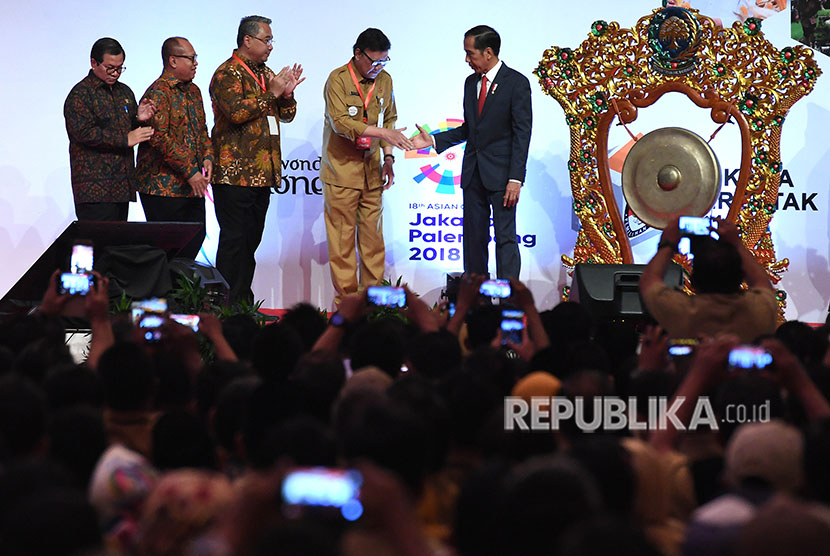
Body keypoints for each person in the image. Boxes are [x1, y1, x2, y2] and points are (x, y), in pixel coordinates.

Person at [412, 25, 532, 280]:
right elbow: (470, 129)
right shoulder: (471, 83)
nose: (467, 60)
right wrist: (433, 140)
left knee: (505, 240)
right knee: (473, 240)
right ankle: (478, 304)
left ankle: (508, 304)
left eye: (470, 53)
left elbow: (522, 134)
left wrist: (515, 178)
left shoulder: (517, 83)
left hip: (502, 178)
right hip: (473, 174)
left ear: (488, 52)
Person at [209, 15, 304, 304]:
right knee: (233, 242)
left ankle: (243, 305)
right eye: (267, 40)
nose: (271, 46)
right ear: (247, 40)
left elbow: (286, 116)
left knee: (250, 243)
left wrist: (286, 96)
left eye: (272, 40)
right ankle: (224, 308)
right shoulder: (227, 74)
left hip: (262, 173)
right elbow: (236, 113)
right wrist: (271, 93)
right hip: (235, 173)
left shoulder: (266, 73)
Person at [321, 28, 414, 302]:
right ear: (357, 54)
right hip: (341, 173)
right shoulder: (337, 79)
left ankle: (373, 305)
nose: (378, 68)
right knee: (342, 244)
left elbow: (389, 120)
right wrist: (384, 134)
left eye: (384, 61)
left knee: (373, 243)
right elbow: (341, 123)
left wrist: (388, 158)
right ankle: (348, 307)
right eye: (374, 61)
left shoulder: (385, 80)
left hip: (373, 172)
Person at [639, 217, 778, 342]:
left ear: (693, 280)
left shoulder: (681, 312)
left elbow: (648, 280)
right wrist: (737, 244)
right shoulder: (759, 311)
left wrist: (667, 244)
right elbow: (761, 281)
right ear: (741, 275)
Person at [135, 37, 213, 260]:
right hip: (163, 187)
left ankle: (182, 294)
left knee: (196, 237)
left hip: (192, 184)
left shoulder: (194, 91)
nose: (195, 63)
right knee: (166, 249)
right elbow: (160, 139)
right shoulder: (158, 92)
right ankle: (164, 294)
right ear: (173, 61)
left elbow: (202, 131)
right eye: (191, 58)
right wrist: (190, 171)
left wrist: (208, 156)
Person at [64, 38, 157, 221]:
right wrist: (125, 139)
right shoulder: (81, 94)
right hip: (94, 190)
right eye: (110, 68)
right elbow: (82, 133)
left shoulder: (125, 92)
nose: (115, 73)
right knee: (98, 245)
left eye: (120, 68)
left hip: (121, 186)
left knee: (118, 247)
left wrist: (140, 119)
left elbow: (129, 129)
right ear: (93, 63)